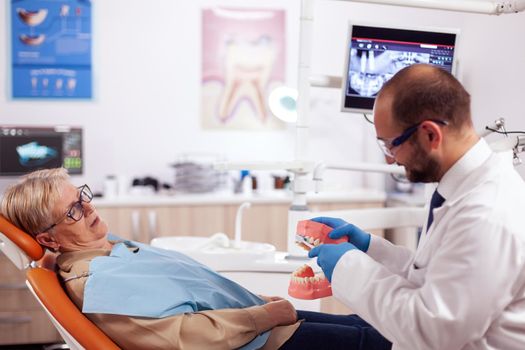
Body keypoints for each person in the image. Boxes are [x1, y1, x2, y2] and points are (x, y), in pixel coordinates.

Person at [0, 168, 392, 350]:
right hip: (257, 341)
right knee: (377, 340)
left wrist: (258, 302)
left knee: (372, 322)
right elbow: (185, 338)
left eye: (82, 197)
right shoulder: (99, 284)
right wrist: (262, 317)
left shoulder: (108, 248)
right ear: (47, 237)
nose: (88, 209)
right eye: (72, 212)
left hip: (258, 323)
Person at [309, 63, 525, 349]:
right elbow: (438, 277)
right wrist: (372, 249)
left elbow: (433, 330)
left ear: (430, 135)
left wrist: (348, 267)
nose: (389, 159)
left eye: (390, 145)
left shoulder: (485, 215)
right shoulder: (462, 190)